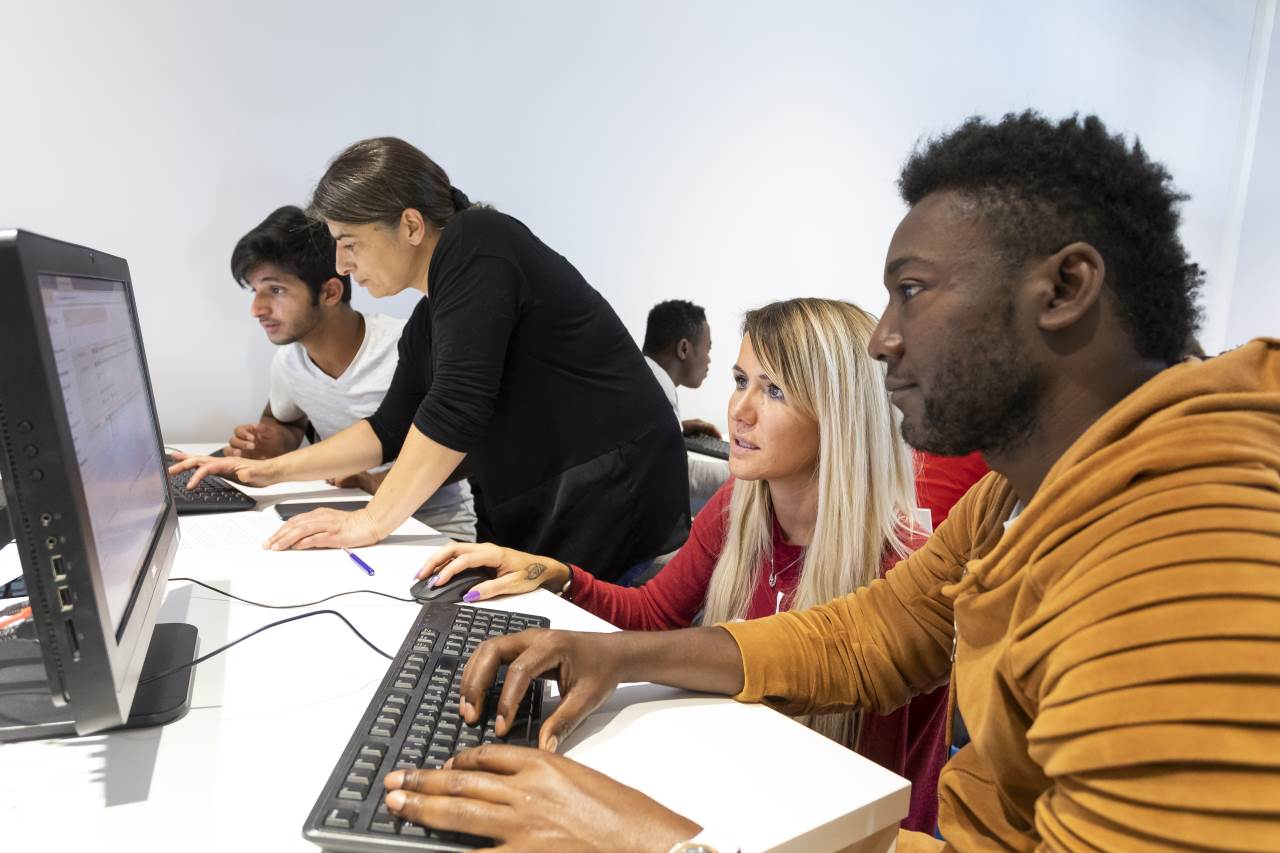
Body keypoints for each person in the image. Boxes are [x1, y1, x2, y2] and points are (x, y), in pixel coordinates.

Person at [375, 112, 1280, 851]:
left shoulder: (1186, 555)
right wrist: (618, 655)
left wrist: (650, 839)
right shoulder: (1017, 497)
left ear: (1066, 285)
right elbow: (866, 636)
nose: (884, 338)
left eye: (913, 291)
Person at [420, 297, 948, 832]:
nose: (740, 412)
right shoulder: (741, 505)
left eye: (775, 390)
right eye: (741, 380)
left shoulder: (901, 568)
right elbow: (653, 612)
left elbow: (870, 795)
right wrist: (559, 575)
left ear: (841, 415)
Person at [171, 139, 689, 581]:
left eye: (349, 243)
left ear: (411, 225)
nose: (342, 265)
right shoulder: (430, 317)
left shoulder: (481, 242)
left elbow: (456, 407)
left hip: (613, 503)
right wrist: (268, 471)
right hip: (545, 507)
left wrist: (369, 522)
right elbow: (388, 429)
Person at [223, 205, 475, 540]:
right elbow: (285, 420)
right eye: (255, 291)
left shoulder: (405, 345)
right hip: (347, 517)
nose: (257, 309)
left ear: (330, 292)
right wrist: (267, 444)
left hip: (432, 529)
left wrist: (376, 482)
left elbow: (467, 446)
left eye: (276, 290)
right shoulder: (289, 360)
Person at [642, 299, 728, 514]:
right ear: (683, 348)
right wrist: (748, 475)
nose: (709, 360)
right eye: (707, 349)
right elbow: (680, 476)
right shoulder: (656, 391)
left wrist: (675, 428)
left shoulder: (640, 377)